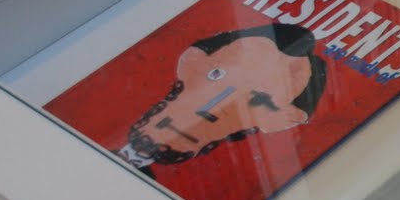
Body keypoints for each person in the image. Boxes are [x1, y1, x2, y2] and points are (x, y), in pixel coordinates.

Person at [118, 23, 327, 174]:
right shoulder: (276, 117)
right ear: (207, 145)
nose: (203, 113)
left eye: (167, 122)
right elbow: (303, 108)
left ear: (158, 109)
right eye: (191, 136)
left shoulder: (192, 63)